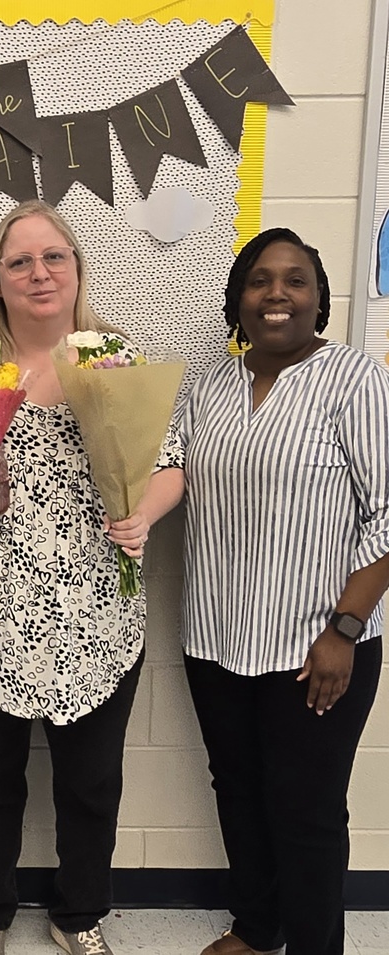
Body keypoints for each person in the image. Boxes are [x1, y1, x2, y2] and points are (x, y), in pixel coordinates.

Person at [0, 199, 184, 955]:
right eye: (20, 260)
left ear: (78, 267)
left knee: (92, 784)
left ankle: (79, 911)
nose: (39, 272)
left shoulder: (113, 356)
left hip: (98, 615)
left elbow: (171, 464)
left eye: (54, 256)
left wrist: (144, 513)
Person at [181, 229, 389, 955]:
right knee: (238, 793)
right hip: (215, 637)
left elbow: (386, 512)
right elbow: (161, 472)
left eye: (295, 280)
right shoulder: (206, 387)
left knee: (305, 812)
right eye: (260, 280)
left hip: (317, 645)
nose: (277, 294)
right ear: (238, 300)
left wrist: (347, 628)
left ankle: (313, 945)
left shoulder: (355, 379)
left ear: (319, 298)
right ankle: (256, 926)